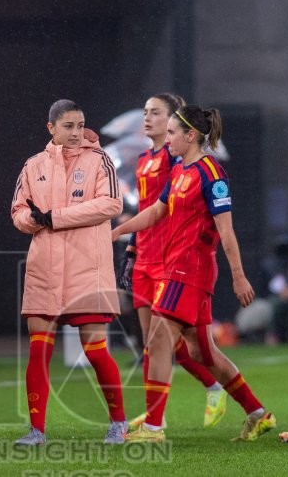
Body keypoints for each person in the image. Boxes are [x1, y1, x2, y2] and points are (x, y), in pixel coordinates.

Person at [112, 105, 276, 443]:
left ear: (191, 136)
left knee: (157, 340)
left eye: (172, 132)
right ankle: (259, 414)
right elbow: (155, 212)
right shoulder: (178, 170)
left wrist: (239, 276)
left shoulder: (211, 174)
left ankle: (154, 427)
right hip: (177, 268)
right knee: (203, 352)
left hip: (191, 270)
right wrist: (117, 232)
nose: (166, 138)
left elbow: (226, 231)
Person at [11, 99, 127, 446]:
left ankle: (119, 424)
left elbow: (111, 205)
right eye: (68, 126)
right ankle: (37, 431)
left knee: (95, 351)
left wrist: (54, 217)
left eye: (80, 125)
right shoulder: (33, 165)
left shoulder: (99, 161)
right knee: (38, 352)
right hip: (44, 269)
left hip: (85, 270)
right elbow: (17, 210)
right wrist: (31, 220)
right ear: (51, 129)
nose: (76, 133)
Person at [116, 93, 227, 429]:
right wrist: (132, 249)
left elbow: (171, 207)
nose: (147, 118)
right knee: (157, 344)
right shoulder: (142, 160)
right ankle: (166, 412)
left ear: (173, 122)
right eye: (145, 112)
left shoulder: (173, 157)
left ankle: (167, 414)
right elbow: (147, 208)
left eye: (155, 113)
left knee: (167, 344)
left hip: (172, 258)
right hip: (145, 256)